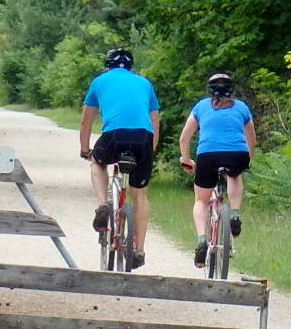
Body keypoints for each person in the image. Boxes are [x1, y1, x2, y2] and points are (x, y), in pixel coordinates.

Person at [79, 48, 160, 269]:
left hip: (114, 136)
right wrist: (148, 152)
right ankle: (139, 250)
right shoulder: (145, 83)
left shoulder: (99, 81)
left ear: (107, 66)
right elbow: (155, 121)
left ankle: (103, 204)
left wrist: (85, 149)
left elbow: (86, 120)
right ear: (131, 67)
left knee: (97, 162)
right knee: (140, 195)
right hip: (143, 138)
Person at [178, 73, 256, 268]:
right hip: (237, 154)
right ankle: (235, 213)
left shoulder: (201, 106)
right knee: (235, 175)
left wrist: (186, 159)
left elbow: (184, 139)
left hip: (207, 155)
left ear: (209, 89)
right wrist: (247, 158)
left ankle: (202, 239)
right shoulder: (241, 107)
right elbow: (251, 139)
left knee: (201, 201)